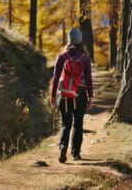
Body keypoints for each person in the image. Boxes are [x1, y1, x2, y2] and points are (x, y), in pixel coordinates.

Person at [51, 27, 93, 163]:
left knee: (65, 124)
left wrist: (53, 95)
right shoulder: (85, 58)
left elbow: (56, 77)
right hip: (79, 95)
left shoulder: (62, 56)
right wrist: (90, 97)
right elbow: (88, 79)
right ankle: (75, 153)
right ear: (80, 40)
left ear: (69, 41)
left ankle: (63, 147)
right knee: (78, 124)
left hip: (64, 95)